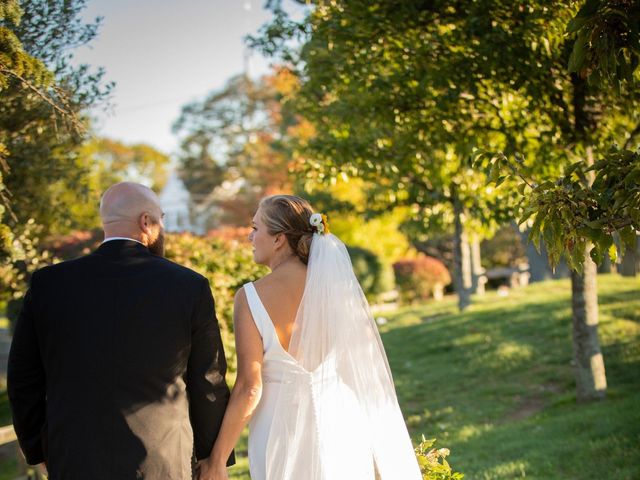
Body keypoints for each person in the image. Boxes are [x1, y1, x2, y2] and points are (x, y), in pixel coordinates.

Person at [7, 182, 234, 479]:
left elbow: (23, 378)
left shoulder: (48, 284)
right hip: (163, 460)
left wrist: (40, 449)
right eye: (161, 218)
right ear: (145, 222)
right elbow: (208, 378)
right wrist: (211, 457)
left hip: (74, 458)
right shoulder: (189, 286)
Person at [196, 195, 421, 480]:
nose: (250, 236)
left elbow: (249, 387)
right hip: (342, 422)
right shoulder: (336, 287)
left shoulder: (250, 297)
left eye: (256, 228)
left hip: (280, 431)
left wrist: (216, 461)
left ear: (278, 239)